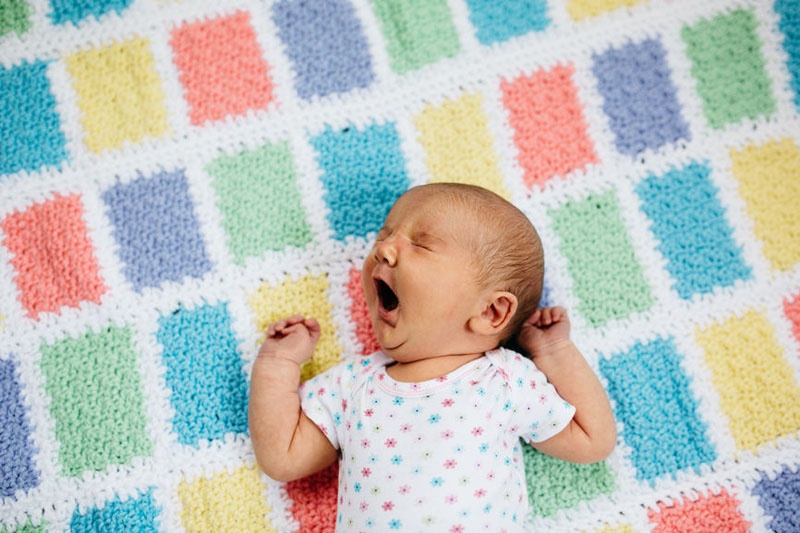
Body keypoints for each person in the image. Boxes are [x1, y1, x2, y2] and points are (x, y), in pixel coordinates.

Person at [249, 183, 616, 532]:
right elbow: (283, 457)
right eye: (383, 236)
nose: (383, 249)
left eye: (421, 244)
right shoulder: (353, 386)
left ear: (491, 312)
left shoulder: (504, 378)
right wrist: (277, 366)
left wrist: (554, 352)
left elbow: (592, 440)